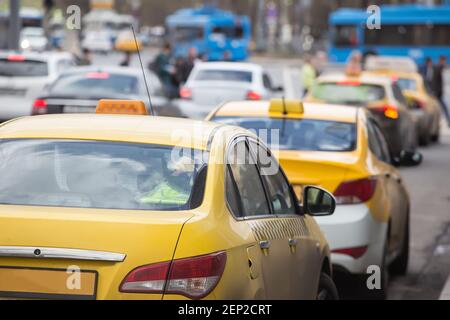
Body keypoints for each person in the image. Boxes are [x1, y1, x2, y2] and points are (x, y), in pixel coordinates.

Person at [434, 56, 450, 126]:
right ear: (441, 60)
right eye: (444, 61)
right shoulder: (438, 67)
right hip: (437, 92)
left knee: (441, 108)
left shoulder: (438, 67)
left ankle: (447, 121)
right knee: (441, 108)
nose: (444, 62)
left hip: (438, 92)